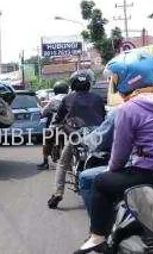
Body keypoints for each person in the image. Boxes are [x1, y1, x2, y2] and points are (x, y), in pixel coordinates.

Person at [74, 52, 153, 254]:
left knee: (97, 181)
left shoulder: (129, 109)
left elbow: (119, 157)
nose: (114, 83)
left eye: (116, 78)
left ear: (129, 79)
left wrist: (111, 171)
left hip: (148, 174)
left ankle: (98, 237)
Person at [78, 66, 153, 217]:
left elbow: (116, 155)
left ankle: (99, 233)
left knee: (88, 178)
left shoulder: (126, 109)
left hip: (145, 170)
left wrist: (84, 141)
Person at [47, 70, 106, 209]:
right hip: (97, 135)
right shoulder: (97, 98)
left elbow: (59, 118)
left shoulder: (67, 99)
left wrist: (57, 124)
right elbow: (103, 117)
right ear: (89, 83)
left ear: (72, 84)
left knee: (62, 163)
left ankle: (57, 193)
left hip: (76, 136)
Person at [37, 81, 69, 170]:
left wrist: (43, 114)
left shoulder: (53, 100)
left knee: (46, 141)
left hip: (54, 127)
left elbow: (44, 112)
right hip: (69, 127)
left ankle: (45, 162)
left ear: (55, 90)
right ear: (67, 90)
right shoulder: (71, 98)